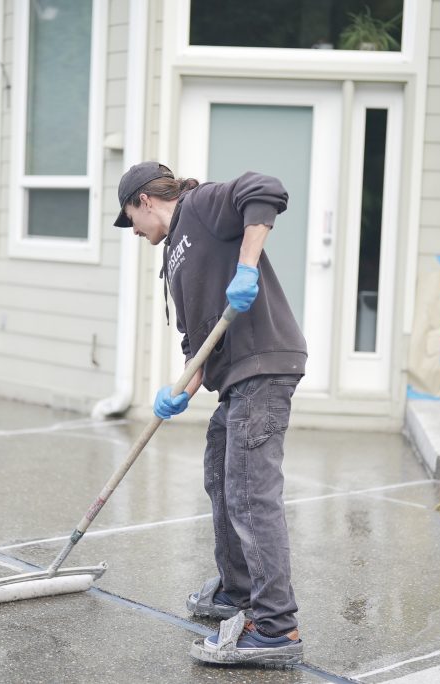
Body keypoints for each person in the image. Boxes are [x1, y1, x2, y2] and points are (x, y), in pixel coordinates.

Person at [114, 161, 308, 668]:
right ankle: (236, 593)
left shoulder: (199, 207)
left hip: (263, 364)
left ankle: (275, 628)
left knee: (250, 493)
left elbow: (265, 189)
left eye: (130, 218)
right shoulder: (173, 262)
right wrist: (179, 389)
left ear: (145, 200)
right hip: (234, 380)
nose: (133, 230)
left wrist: (248, 265)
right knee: (222, 480)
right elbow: (198, 344)